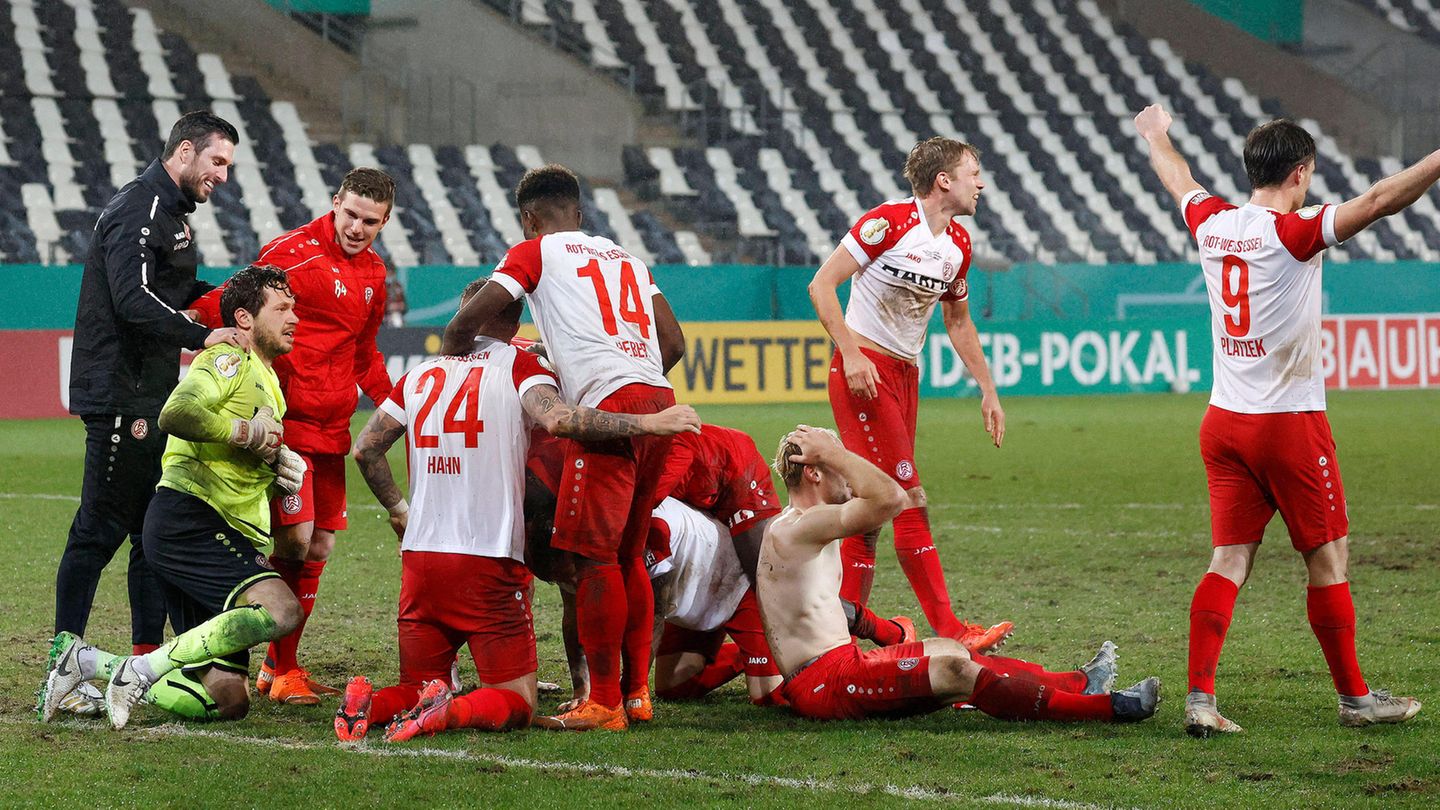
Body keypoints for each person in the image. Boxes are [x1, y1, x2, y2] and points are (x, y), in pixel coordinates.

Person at [1133, 104, 1431, 734]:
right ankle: (1355, 699)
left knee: (1228, 559)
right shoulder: (1294, 233)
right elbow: (1379, 200)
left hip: (1223, 422)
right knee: (1329, 558)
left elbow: (1176, 176)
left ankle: (1201, 700)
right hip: (1287, 424)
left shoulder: (1213, 222)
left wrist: (1156, 134)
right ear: (1301, 173)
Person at [336, 284, 699, 742]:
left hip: (420, 560)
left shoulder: (420, 373)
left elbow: (366, 449)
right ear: (514, 322)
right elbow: (561, 420)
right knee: (519, 702)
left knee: (416, 685)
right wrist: (647, 422)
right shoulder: (520, 367)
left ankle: (370, 703)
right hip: (486, 560)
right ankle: (446, 714)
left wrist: (398, 508)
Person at [440, 164, 686, 731]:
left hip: (607, 408)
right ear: (579, 212)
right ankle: (636, 694)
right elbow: (672, 341)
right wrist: (636, 383)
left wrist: (459, 357)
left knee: (594, 562)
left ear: (530, 219)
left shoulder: (534, 253)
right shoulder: (627, 257)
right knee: (628, 558)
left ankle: (602, 703)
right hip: (658, 398)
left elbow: (469, 322)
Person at [39, 265, 308, 729]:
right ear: (244, 319)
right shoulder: (229, 359)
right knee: (281, 609)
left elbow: (245, 447)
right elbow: (177, 412)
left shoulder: (270, 382)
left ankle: (86, 663)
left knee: (229, 701)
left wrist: (277, 464)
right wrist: (246, 432)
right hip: (192, 519)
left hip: (217, 528)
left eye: (294, 309)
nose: (294, 318)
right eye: (281, 308)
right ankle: (137, 670)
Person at [48, 110, 247, 717]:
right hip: (121, 395)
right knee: (99, 528)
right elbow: (133, 300)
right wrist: (200, 334)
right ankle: (63, 666)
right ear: (184, 152)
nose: (222, 176)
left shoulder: (174, 216)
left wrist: (231, 298)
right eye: (217, 162)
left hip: (148, 395)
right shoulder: (139, 208)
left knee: (148, 533)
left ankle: (140, 662)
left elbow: (174, 290)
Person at [756, 425, 1159, 725]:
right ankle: (1107, 708)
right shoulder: (800, 527)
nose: (847, 477)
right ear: (814, 472)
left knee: (953, 650)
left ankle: (1077, 682)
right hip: (825, 683)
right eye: (834, 466)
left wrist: (883, 630)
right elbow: (891, 499)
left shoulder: (800, 526)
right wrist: (834, 454)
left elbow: (829, 605)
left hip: (839, 665)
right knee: (956, 672)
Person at [193, 167, 396, 705]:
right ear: (335, 203)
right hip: (286, 425)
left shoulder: (374, 274)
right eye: (349, 214)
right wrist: (180, 322)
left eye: (369, 221)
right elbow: (234, 302)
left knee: (321, 543)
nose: (356, 227)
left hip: (333, 427)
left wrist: (403, 404)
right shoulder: (294, 252)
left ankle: (278, 667)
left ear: (384, 221)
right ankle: (276, 667)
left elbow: (364, 354)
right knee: (296, 538)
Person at [808, 137, 1011, 652]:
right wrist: (851, 354)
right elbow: (822, 285)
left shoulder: (958, 245)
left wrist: (987, 388)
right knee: (906, 498)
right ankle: (951, 630)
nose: (980, 183)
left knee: (872, 508)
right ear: (944, 180)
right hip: (865, 372)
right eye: (973, 172)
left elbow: (958, 319)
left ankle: (839, 632)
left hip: (904, 377)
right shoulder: (888, 223)